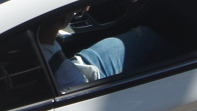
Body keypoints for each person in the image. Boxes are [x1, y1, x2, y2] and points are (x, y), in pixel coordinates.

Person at [36, 8, 170, 92]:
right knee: (146, 38)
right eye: (73, 12)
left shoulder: (35, 41)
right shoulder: (69, 76)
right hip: (89, 77)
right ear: (63, 20)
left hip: (69, 68)